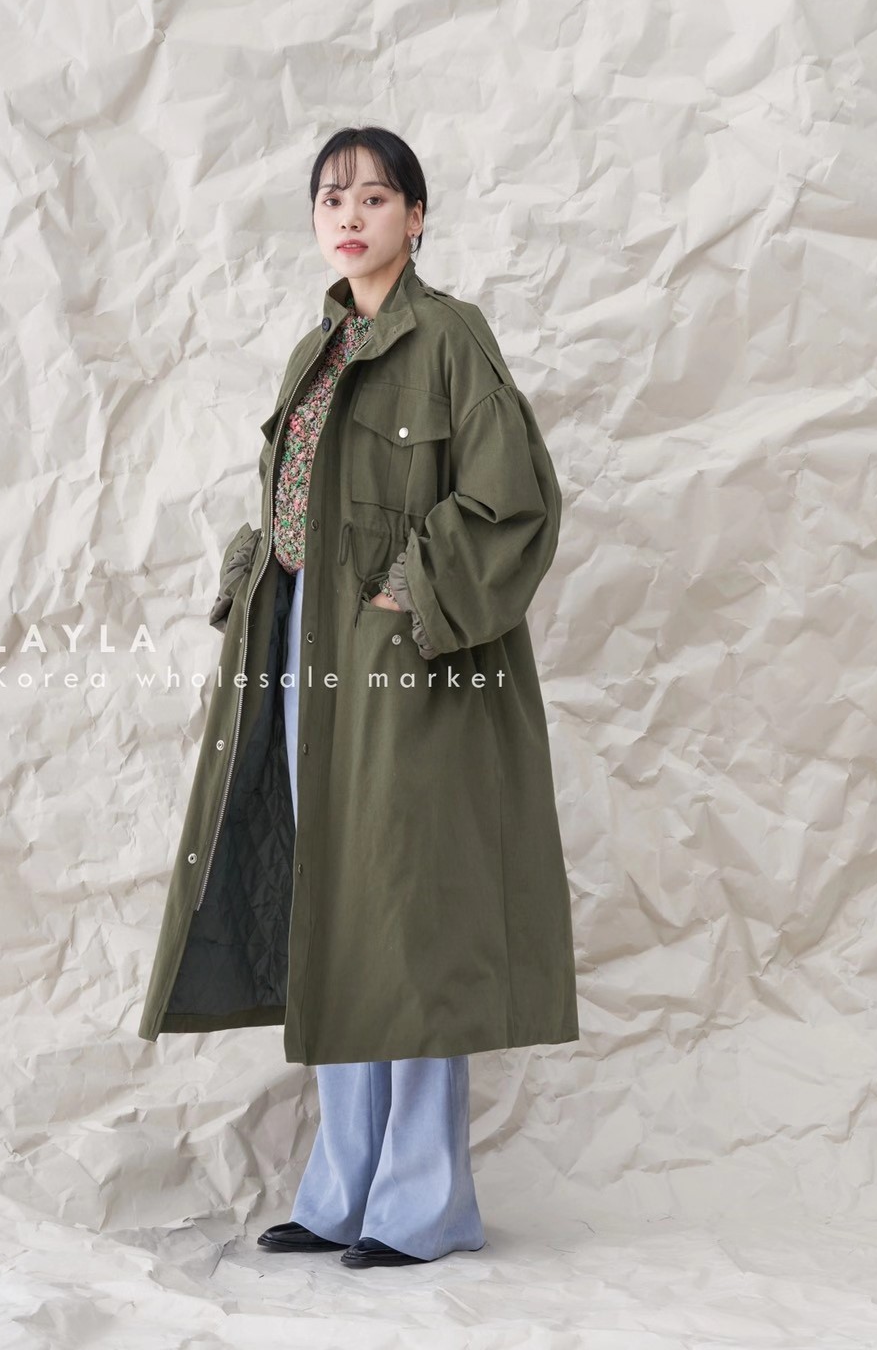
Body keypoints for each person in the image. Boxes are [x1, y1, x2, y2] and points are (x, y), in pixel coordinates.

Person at [138, 124, 579, 1269]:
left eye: (376, 197)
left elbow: (515, 499)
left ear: (416, 219)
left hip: (410, 671)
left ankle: (425, 1205)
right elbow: (291, 505)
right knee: (334, 908)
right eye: (333, 196)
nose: (350, 214)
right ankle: (342, 1190)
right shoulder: (317, 351)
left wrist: (407, 592)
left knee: (408, 919)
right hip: (305, 658)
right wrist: (257, 577)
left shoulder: (450, 338)